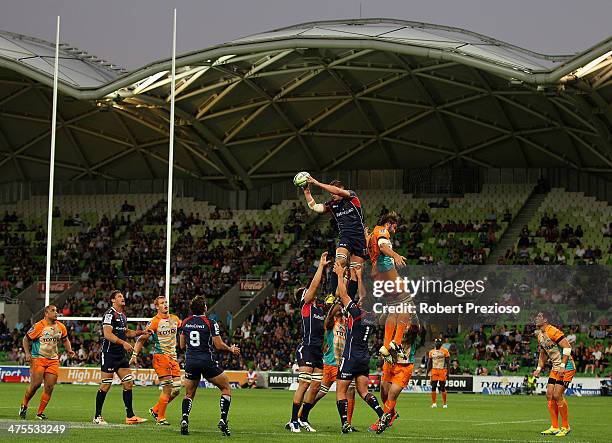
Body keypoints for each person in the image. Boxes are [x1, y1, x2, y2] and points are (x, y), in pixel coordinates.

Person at [333, 261, 386, 434]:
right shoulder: (371, 316)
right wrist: (360, 275)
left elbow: (343, 295)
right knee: (364, 391)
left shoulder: (355, 314)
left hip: (350, 358)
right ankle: (382, 414)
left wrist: (340, 274)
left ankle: (344, 424)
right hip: (364, 358)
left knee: (340, 391)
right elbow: (364, 297)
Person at [179, 296, 241, 436]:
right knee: (225, 387)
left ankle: (184, 419)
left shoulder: (185, 322)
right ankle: (223, 420)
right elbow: (218, 345)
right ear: (205, 308)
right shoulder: (210, 323)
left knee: (189, 394)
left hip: (190, 361)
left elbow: (182, 345)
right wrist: (231, 349)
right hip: (206, 361)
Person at [302, 176, 367, 299]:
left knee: (355, 272)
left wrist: (317, 183)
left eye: (334, 192)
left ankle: (349, 301)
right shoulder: (332, 205)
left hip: (359, 238)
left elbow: (337, 191)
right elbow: (315, 207)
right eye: (331, 193)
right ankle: (332, 295)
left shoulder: (352, 197)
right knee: (340, 261)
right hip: (345, 236)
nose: (332, 194)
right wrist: (307, 192)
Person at [286, 252, 330, 433]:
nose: (313, 293)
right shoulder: (306, 304)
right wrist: (320, 266)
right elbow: (314, 285)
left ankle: (303, 418)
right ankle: (292, 420)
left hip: (318, 350)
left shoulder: (318, 309)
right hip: (307, 348)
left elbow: (325, 327)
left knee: (316, 385)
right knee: (304, 383)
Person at [93, 290, 148, 425]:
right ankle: (97, 416)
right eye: (119, 296)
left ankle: (130, 416)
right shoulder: (109, 314)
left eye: (123, 296)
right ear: (113, 300)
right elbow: (107, 334)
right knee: (105, 385)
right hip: (109, 354)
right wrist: (123, 343)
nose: (122, 298)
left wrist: (141, 332)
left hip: (120, 356)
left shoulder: (123, 315)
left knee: (128, 383)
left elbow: (127, 332)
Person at [129, 296, 182, 425]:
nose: (165, 305)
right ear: (157, 307)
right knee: (167, 387)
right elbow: (142, 339)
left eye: (166, 302)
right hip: (160, 357)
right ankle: (160, 418)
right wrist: (134, 354)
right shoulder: (154, 322)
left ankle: (155, 410)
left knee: (176, 390)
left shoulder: (175, 319)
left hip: (173, 357)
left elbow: (184, 328)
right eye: (162, 303)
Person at [367, 212, 410, 363]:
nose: (395, 229)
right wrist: (395, 256)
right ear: (389, 223)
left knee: (394, 308)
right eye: (395, 226)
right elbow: (383, 247)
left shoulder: (373, 232)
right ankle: (396, 343)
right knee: (407, 304)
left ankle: (386, 346)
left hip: (377, 273)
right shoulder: (382, 231)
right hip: (386, 270)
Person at [19, 305, 75, 420]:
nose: (56, 313)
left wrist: (69, 350)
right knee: (36, 385)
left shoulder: (61, 327)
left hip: (53, 360)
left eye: (57, 311)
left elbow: (65, 339)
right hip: (38, 358)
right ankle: (24, 405)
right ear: (46, 313)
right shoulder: (39, 326)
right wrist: (27, 353)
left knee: (49, 387)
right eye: (53, 311)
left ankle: (39, 413)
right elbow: (25, 339)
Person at [371, 324, 420, 433]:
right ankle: (392, 413)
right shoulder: (393, 322)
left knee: (392, 395)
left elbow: (416, 328)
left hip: (404, 365)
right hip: (389, 363)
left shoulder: (412, 327)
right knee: (384, 394)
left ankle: (382, 421)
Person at [533, 312, 575, 437]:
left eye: (539, 316)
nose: (536, 318)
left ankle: (566, 427)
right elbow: (543, 353)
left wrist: (562, 366)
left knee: (557, 395)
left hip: (566, 366)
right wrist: (539, 368)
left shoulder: (553, 331)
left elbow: (567, 348)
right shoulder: (540, 335)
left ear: (545, 319)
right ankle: (555, 427)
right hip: (555, 367)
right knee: (549, 395)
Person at [427, 338, 450, 408]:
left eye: (439, 342)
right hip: (434, 370)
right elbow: (430, 363)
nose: (438, 344)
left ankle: (445, 403)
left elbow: (448, 362)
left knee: (442, 387)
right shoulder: (431, 352)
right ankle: (434, 403)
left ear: (441, 343)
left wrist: (448, 373)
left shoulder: (445, 351)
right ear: (435, 343)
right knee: (433, 386)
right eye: (437, 342)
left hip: (442, 370)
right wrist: (427, 372)